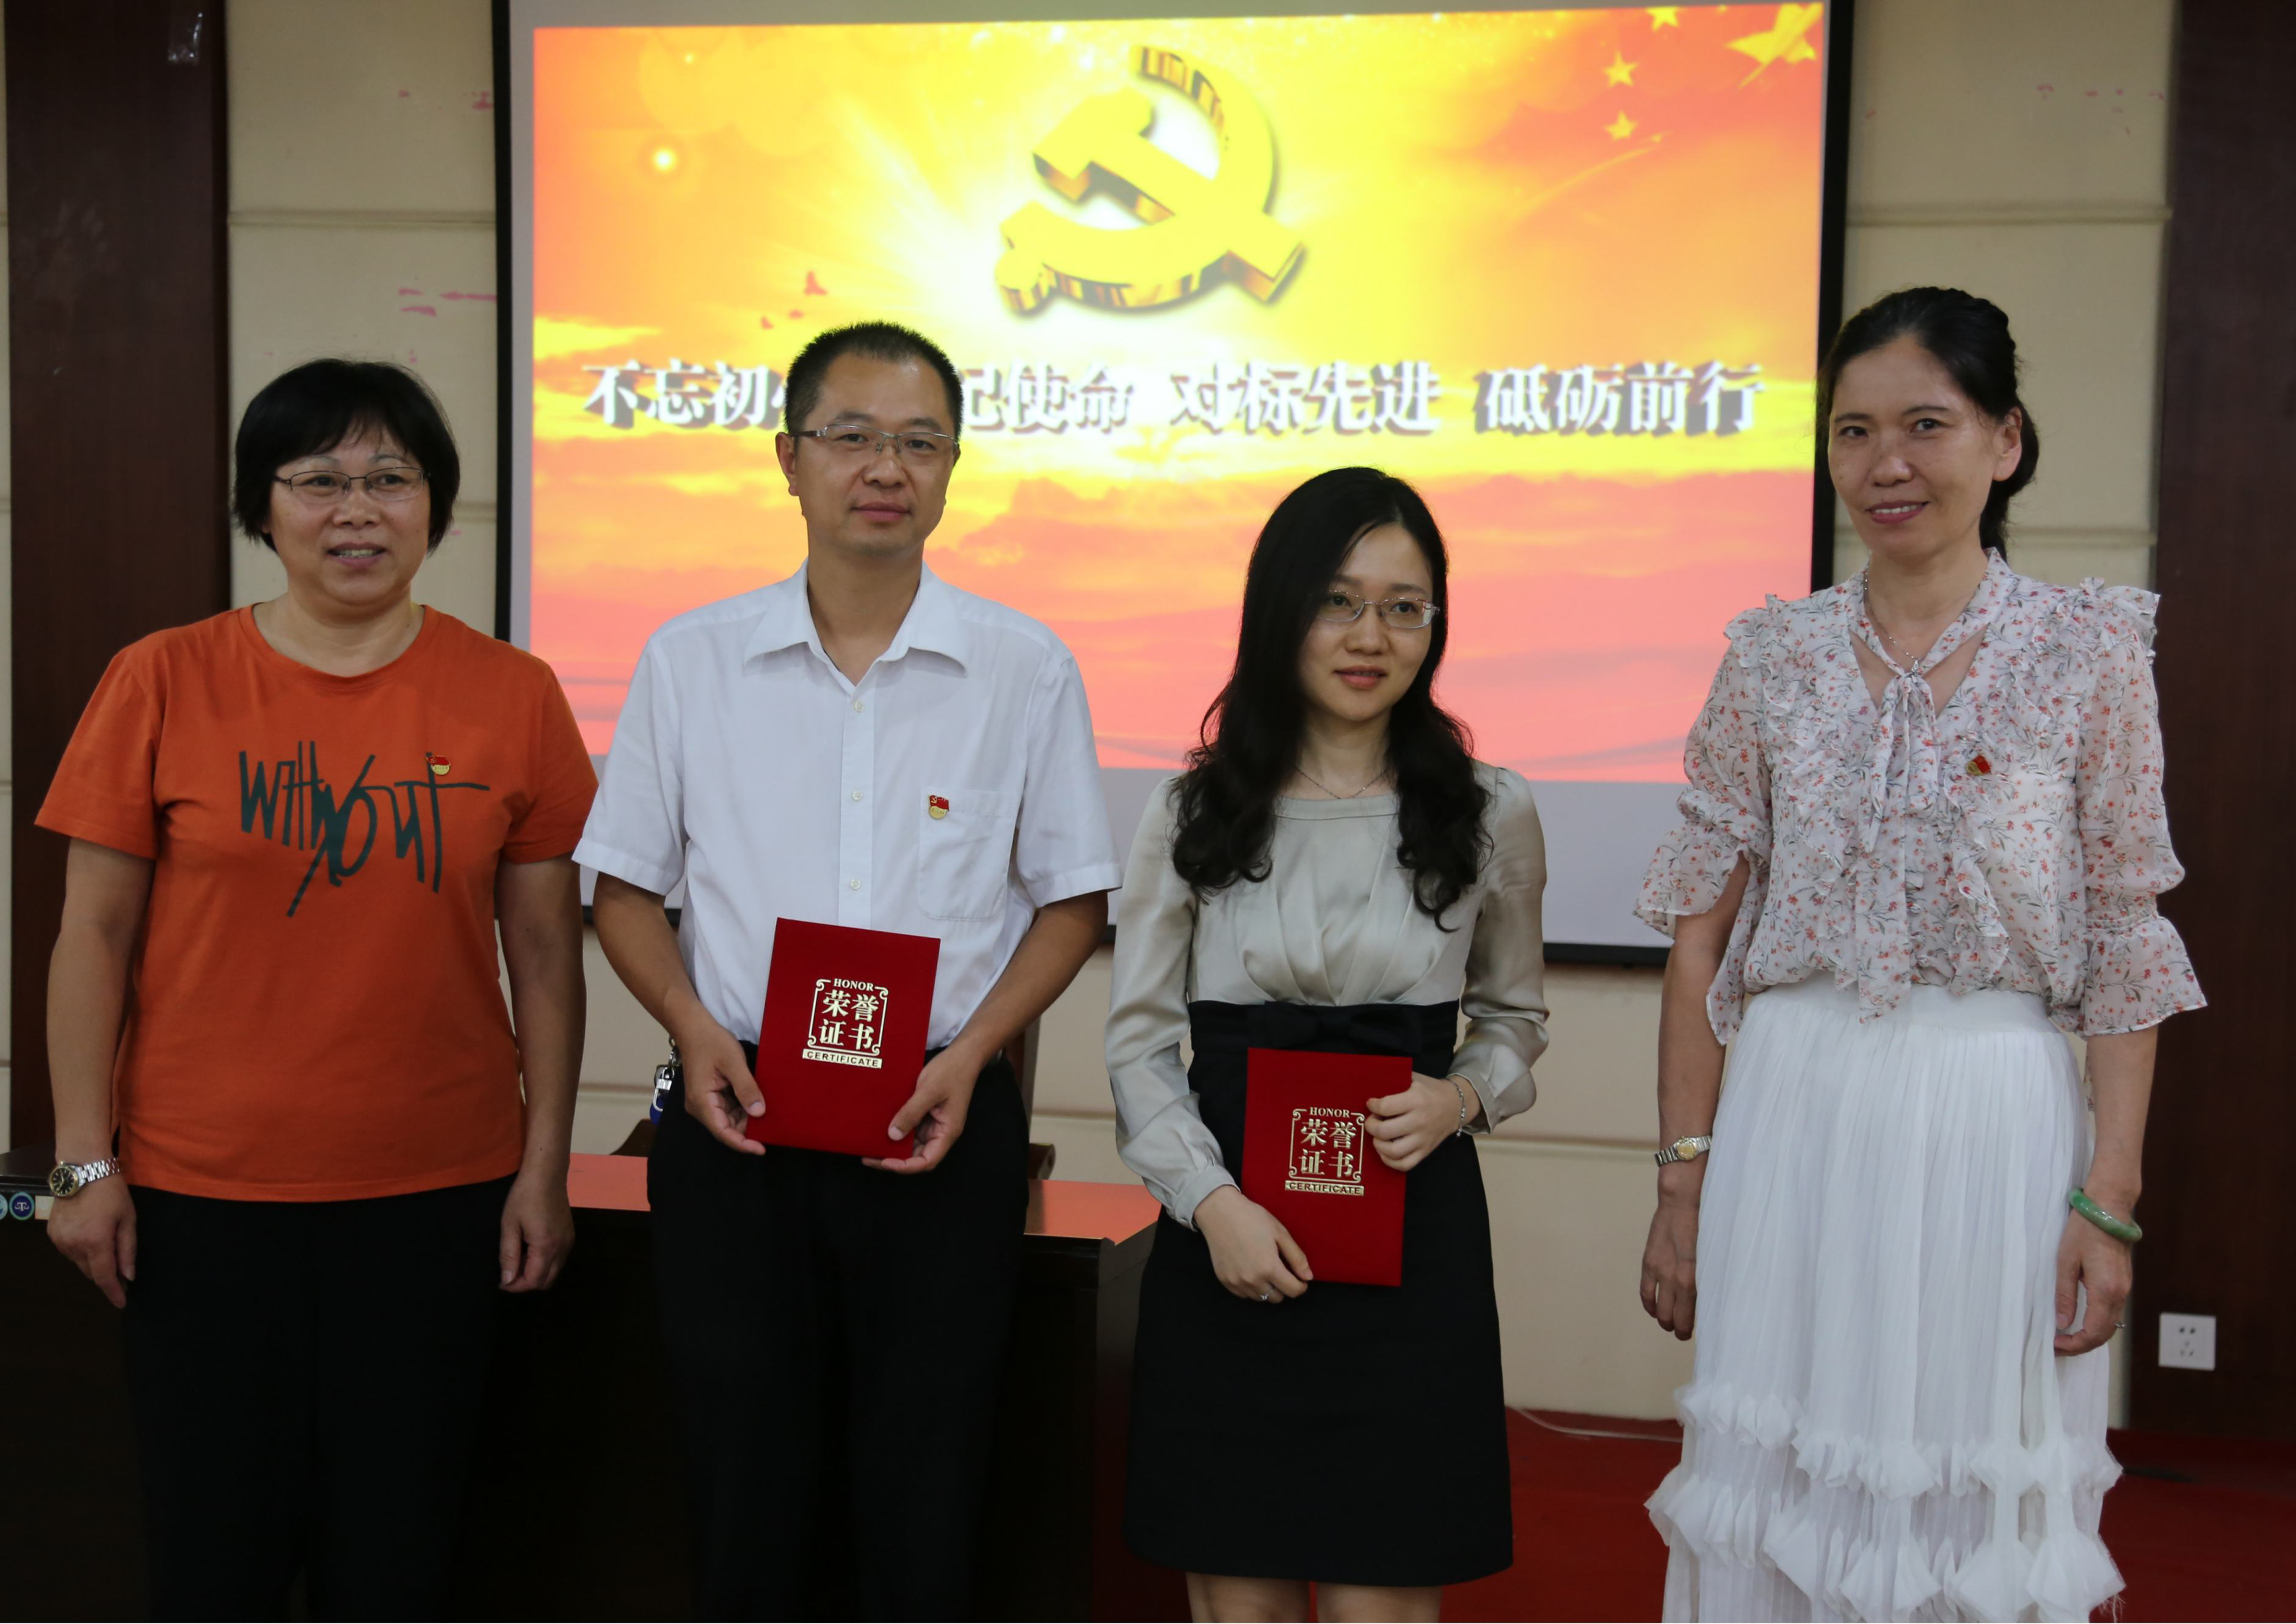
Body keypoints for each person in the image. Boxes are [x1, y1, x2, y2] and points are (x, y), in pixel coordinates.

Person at [1634, 286, 2204, 1622]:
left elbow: (2126, 934)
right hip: (1791, 1110)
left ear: (2005, 440)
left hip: (1993, 1121)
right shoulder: (1770, 657)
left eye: (1925, 425)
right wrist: (1682, 1180)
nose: (1885, 462)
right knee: (1783, 1476)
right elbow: (1698, 939)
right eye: (1853, 431)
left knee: (1965, 1483)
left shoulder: (2087, 653)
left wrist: (2109, 1198)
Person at [38, 359, 595, 1618]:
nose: (358, 510)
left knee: (400, 1561)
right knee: (212, 1560)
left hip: (437, 1201)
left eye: (391, 478)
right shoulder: (160, 677)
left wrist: (544, 1167)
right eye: (319, 480)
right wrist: (81, 1162)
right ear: (262, 504)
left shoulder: (515, 694)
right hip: (199, 1201)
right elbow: (92, 937)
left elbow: (546, 957)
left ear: (436, 505)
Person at [579, 320, 1119, 1619]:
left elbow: (1072, 902)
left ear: (953, 468)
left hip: (939, 1115)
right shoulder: (692, 660)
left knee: (925, 1476)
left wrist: (974, 1054)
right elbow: (623, 890)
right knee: (742, 1472)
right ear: (790, 458)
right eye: (854, 437)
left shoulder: (1023, 667)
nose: (887, 468)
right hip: (737, 1109)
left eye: (920, 442)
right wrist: (689, 1025)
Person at [1106, 467, 1549, 1623]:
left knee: (1381, 1592)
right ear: (1281, 610)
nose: (1371, 636)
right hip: (1228, 1241)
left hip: (1411, 1248)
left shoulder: (1490, 808)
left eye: (1405, 607)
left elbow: (1514, 1023)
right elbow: (1140, 1045)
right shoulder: (1191, 811)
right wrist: (1212, 1206)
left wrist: (1462, 1098)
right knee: (1236, 1593)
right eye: (1339, 602)